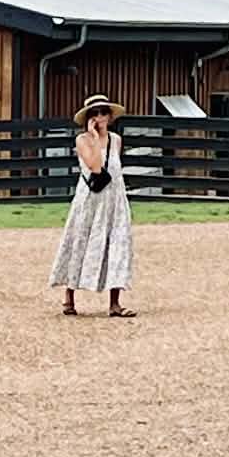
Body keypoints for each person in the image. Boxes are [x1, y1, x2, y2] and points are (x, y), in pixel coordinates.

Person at [50, 94, 135, 318]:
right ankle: (69, 297)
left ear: (110, 115)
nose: (100, 116)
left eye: (103, 112)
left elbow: (114, 170)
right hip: (89, 202)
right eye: (95, 113)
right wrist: (95, 138)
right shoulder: (82, 141)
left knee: (117, 246)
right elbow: (96, 167)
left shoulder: (116, 140)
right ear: (89, 118)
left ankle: (115, 303)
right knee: (79, 242)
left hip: (114, 201)